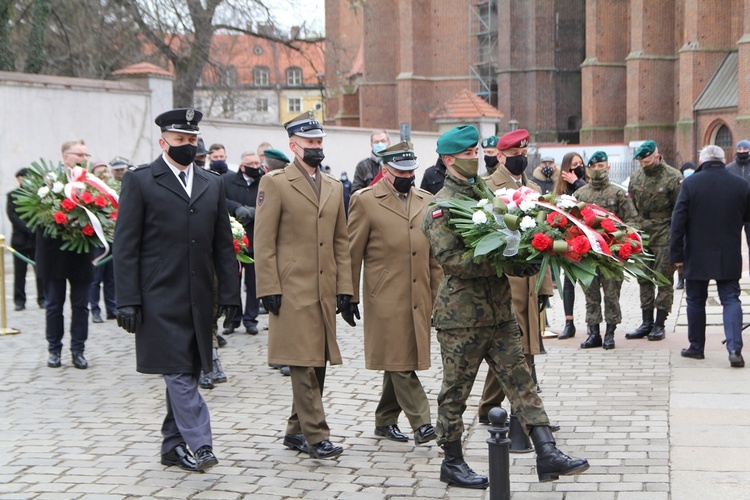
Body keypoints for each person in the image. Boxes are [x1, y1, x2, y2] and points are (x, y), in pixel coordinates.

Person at [420, 124, 588, 489]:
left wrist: (524, 258)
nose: (473, 159)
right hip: (461, 317)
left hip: (499, 312)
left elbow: (507, 237)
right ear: (449, 160)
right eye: (466, 155)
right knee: (455, 391)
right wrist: (503, 258)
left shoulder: (485, 194)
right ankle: (452, 461)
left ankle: (547, 452)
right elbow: (453, 262)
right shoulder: (439, 208)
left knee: (521, 380)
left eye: (475, 152)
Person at [113, 108, 241, 473]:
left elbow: (221, 245)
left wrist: (230, 295)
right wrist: (127, 300)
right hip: (158, 297)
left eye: (192, 139)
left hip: (199, 297)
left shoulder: (210, 182)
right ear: (163, 141)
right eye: (180, 139)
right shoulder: (141, 181)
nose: (187, 145)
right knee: (181, 374)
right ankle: (201, 444)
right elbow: (125, 245)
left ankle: (172, 446)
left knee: (184, 366)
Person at [254, 110, 353, 460]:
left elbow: (341, 241)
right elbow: (263, 240)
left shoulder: (333, 185)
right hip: (290, 286)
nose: (316, 147)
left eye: (319, 141)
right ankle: (317, 435)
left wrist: (346, 288)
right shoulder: (276, 182)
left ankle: (296, 430)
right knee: (301, 362)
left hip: (324, 288)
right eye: (310, 142)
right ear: (293, 145)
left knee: (319, 361)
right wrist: (267, 287)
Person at [346, 141, 443, 446]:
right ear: (385, 171)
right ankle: (423, 421)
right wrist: (347, 295)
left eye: (411, 170)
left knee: (400, 356)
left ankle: (385, 419)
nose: (408, 175)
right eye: (400, 171)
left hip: (419, 293)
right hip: (384, 294)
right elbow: (352, 251)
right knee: (401, 360)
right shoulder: (365, 201)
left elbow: (433, 257)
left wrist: (438, 295)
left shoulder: (426, 200)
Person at [478, 129, 553, 423]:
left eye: (524, 153)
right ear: (499, 157)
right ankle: (526, 414)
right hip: (505, 281)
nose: (520, 159)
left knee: (525, 348)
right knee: (514, 349)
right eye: (513, 155)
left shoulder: (534, 189)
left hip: (531, 280)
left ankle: (496, 408)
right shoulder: (487, 187)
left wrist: (545, 286)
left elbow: (543, 240)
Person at [671, 145, 750, 368]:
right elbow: (747, 217)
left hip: (696, 252)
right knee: (731, 299)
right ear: (724, 160)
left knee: (695, 300)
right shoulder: (740, 184)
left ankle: (696, 347)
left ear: (702, 160)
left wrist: (677, 255)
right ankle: (735, 348)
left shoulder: (690, 184)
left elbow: (678, 222)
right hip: (729, 252)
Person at [37, 140, 94, 369]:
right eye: (79, 154)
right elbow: (37, 215)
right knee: (54, 304)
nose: (84, 157)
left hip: (81, 252)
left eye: (86, 153)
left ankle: (78, 350)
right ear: (66, 157)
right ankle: (54, 350)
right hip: (53, 253)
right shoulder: (47, 181)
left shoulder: (91, 183)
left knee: (81, 305)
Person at [573, 151, 637, 350]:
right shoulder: (580, 195)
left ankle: (610, 333)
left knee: (611, 294)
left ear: (608, 168)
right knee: (590, 295)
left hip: (611, 254)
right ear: (588, 169)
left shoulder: (618, 193)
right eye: (594, 167)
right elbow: (571, 224)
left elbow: (632, 221)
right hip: (588, 254)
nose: (597, 170)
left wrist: (622, 244)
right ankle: (594, 333)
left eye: (601, 166)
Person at [626, 140, 681, 341]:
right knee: (644, 278)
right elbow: (631, 205)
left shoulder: (673, 177)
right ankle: (646, 322)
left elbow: (679, 209)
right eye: (640, 161)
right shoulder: (636, 177)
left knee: (663, 277)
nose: (643, 164)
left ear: (657, 156)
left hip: (664, 231)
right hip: (643, 232)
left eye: (646, 160)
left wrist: (677, 238)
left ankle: (660, 323)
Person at [222, 151, 263, 336]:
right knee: (232, 283)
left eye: (257, 163)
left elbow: (270, 201)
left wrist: (254, 211)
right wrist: (236, 208)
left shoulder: (264, 181)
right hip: (234, 242)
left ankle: (250, 319)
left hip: (256, 239)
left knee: (254, 284)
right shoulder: (227, 181)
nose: (255, 166)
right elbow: (220, 200)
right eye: (250, 163)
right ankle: (232, 319)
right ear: (242, 166)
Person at [553, 152, 587, 339]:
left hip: (586, 238)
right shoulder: (560, 191)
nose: (579, 167)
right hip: (569, 238)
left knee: (589, 282)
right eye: (575, 164)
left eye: (581, 163)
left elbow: (590, 200)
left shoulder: (583, 185)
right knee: (568, 282)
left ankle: (593, 321)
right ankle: (569, 323)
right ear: (567, 169)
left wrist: (577, 183)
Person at [7, 168, 44, 311]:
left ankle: (42, 298)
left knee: (39, 271)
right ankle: (19, 301)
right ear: (19, 179)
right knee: (19, 273)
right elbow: (12, 216)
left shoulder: (38, 194)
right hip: (20, 240)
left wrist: (35, 229)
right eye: (25, 177)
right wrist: (28, 228)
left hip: (35, 240)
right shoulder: (12, 195)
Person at [675, 161, 697, 290]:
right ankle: (680, 279)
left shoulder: (696, 184)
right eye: (686, 169)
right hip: (682, 223)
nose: (689, 171)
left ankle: (690, 277)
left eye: (691, 169)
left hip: (694, 224)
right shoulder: (679, 185)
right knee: (681, 253)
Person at [726, 139, 750, 251]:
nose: (742, 151)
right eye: (739, 149)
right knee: (731, 243)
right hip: (734, 209)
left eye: (745, 149)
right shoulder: (729, 168)